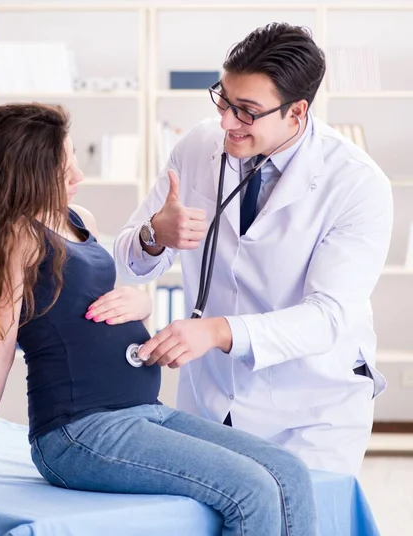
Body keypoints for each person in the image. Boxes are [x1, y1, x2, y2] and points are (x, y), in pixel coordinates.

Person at [0, 102, 317, 535]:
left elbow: (100, 299)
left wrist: (143, 303)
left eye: (74, 159)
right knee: (252, 490)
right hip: (79, 432)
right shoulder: (15, 239)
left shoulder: (80, 220)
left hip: (145, 412)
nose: (78, 176)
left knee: (289, 472)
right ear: (26, 173)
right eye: (63, 168)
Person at [114, 22, 393, 477]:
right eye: (223, 99)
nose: (226, 121)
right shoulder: (199, 146)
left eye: (245, 111)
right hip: (210, 397)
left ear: (296, 113)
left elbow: (328, 317)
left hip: (310, 411)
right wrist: (153, 235)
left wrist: (218, 331)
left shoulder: (358, 185)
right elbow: (127, 262)